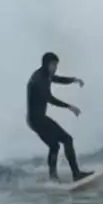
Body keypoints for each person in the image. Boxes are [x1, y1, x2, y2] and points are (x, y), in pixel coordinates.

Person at [27, 52, 88, 180]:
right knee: (67, 139)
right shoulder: (39, 79)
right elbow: (49, 98)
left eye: (56, 65)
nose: (55, 67)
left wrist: (73, 80)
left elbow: (57, 79)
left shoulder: (45, 75)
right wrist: (69, 106)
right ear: (46, 64)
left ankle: (53, 177)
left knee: (54, 145)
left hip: (36, 119)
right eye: (53, 65)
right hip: (37, 120)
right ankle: (76, 174)